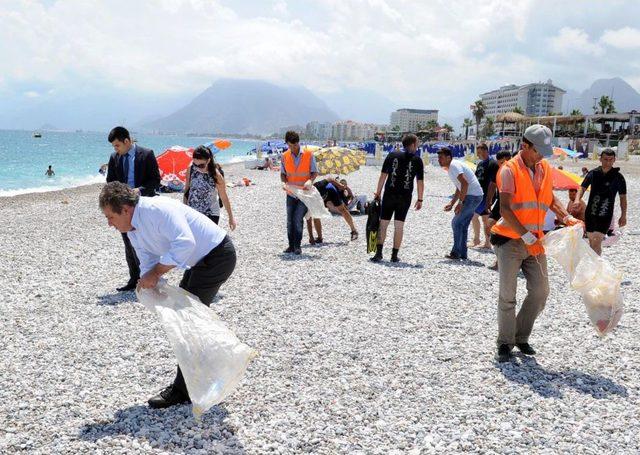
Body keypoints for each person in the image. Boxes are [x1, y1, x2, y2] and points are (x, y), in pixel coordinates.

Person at [99, 182, 237, 408]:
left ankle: (185, 389)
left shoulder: (157, 210)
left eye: (110, 217)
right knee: (187, 322)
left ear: (125, 209)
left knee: (188, 323)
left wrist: (155, 273)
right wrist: (149, 286)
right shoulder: (132, 228)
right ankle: (202, 379)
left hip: (217, 257)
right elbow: (147, 262)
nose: (109, 224)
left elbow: (185, 244)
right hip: (199, 262)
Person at [491, 124, 582, 363]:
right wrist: (525, 234)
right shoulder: (509, 170)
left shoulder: (544, 168)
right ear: (525, 146)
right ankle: (505, 342)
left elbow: (550, 199)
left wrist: (567, 217)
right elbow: (505, 208)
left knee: (541, 292)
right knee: (508, 295)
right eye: (537, 150)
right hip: (511, 241)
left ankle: (520, 336)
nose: (541, 155)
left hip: (536, 241)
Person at [106, 126, 161, 292]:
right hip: (122, 208)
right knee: (127, 243)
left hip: (142, 205)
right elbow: (110, 182)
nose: (115, 149)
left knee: (143, 243)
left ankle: (149, 277)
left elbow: (155, 181)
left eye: (117, 145)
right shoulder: (114, 158)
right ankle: (134, 279)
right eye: (114, 146)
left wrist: (139, 190)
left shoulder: (147, 154)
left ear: (127, 141)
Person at [371, 134, 424, 263]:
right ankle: (394, 256)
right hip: (405, 197)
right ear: (412, 144)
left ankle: (378, 254)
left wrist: (378, 193)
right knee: (399, 226)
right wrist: (420, 199)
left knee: (383, 224)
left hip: (389, 194)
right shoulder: (417, 160)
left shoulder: (392, 155)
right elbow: (420, 182)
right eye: (417, 143)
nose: (417, 146)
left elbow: (383, 176)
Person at [572, 149, 627, 256]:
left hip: (605, 215)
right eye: (605, 159)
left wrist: (623, 215)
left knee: (597, 241)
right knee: (592, 241)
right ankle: (594, 265)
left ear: (614, 160)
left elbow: (623, 198)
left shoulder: (618, 177)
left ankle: (594, 268)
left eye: (611, 160)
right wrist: (577, 199)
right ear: (600, 159)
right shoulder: (593, 173)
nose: (608, 162)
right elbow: (582, 188)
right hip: (591, 213)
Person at [437, 148, 484, 260]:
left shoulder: (453, 166)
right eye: (439, 158)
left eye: (441, 158)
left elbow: (465, 184)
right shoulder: (452, 167)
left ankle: (456, 253)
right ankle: (463, 253)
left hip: (472, 196)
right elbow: (460, 186)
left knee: (456, 222)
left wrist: (460, 203)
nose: (439, 160)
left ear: (448, 157)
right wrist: (452, 203)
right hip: (474, 195)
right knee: (462, 225)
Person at [280, 131, 318, 255]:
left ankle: (297, 246)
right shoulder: (284, 156)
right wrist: (284, 182)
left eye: (295, 145)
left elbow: (314, 172)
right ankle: (291, 245)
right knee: (290, 220)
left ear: (298, 143)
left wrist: (310, 181)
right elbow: (283, 174)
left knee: (297, 218)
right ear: (287, 144)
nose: (293, 148)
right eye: (290, 146)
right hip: (291, 193)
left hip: (304, 193)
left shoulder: (308, 155)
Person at [183, 145, 236, 231]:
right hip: (192, 213)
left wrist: (231, 218)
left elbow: (224, 197)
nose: (198, 168)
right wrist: (184, 209)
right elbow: (187, 191)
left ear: (208, 160)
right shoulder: (191, 169)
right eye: (195, 164)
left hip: (211, 214)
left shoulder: (216, 175)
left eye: (201, 165)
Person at [306, 177, 359, 244]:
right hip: (320, 199)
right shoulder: (309, 198)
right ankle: (320, 238)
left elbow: (330, 179)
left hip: (331, 192)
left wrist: (340, 186)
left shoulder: (319, 185)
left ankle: (354, 230)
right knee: (316, 215)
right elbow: (308, 219)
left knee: (342, 209)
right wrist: (311, 237)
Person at [487, 150, 513, 271]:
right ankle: (499, 256)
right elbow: (492, 184)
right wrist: (488, 200)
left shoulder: (515, 170)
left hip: (512, 203)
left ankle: (501, 261)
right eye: (499, 163)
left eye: (503, 162)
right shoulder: (498, 169)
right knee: (490, 225)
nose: (501, 165)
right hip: (499, 201)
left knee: (507, 231)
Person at [471, 143, 499, 248]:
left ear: (485, 151)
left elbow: (493, 183)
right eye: (477, 153)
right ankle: (486, 242)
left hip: (486, 196)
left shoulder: (493, 164)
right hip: (479, 194)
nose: (478, 155)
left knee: (474, 216)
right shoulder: (480, 164)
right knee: (484, 219)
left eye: (479, 152)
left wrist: (489, 199)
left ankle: (478, 240)